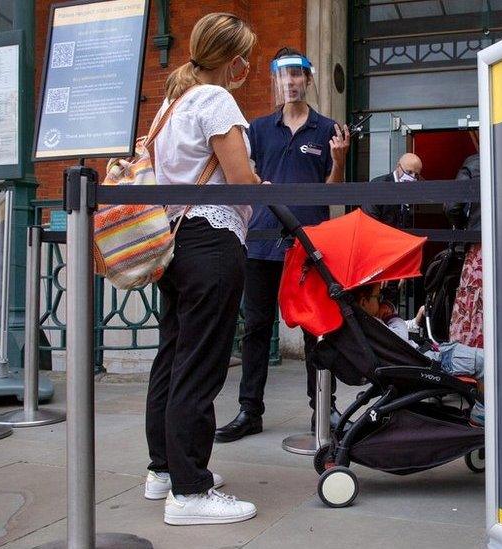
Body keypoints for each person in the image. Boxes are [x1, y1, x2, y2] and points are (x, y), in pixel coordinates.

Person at [143, 12, 259, 525]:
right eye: (246, 57)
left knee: (172, 357)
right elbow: (238, 179)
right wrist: (262, 186)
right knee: (201, 364)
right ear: (232, 60)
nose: (249, 66)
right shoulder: (215, 99)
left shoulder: (170, 105)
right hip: (212, 240)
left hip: (174, 243)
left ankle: (165, 471)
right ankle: (190, 494)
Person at [215, 47, 350, 442]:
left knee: (316, 328)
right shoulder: (257, 130)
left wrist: (338, 160)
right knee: (256, 328)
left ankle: (322, 409)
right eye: (282, 76)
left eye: (296, 75)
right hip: (261, 243)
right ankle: (249, 411)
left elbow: (335, 192)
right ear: (276, 81)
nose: (289, 82)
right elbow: (241, 176)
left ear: (308, 80)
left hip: (309, 244)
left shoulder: (327, 130)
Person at [353, 284, 485, 425]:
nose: (381, 302)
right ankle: (481, 414)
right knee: (486, 361)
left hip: (426, 356)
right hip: (431, 362)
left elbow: (397, 331)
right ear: (363, 302)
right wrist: (392, 315)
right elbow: (399, 339)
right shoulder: (373, 327)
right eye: (378, 297)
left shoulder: (364, 326)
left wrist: (415, 320)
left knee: (472, 354)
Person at [445, 149, 483, 349]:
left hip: (478, 246)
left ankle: (470, 356)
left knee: (473, 301)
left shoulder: (473, 162)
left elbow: (453, 206)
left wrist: (463, 227)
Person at [362, 152, 423, 229]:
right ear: (398, 166)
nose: (412, 177)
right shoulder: (379, 185)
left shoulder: (415, 188)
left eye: (416, 174)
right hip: (382, 236)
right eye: (409, 172)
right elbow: (369, 217)